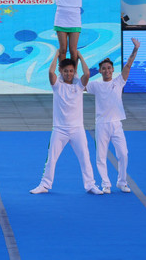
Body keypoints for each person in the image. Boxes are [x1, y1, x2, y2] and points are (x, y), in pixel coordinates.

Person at [30, 54, 103, 195]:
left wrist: (80, 57)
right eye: (65, 71)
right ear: (61, 71)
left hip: (77, 129)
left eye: (71, 71)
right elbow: (50, 72)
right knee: (51, 158)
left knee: (85, 157)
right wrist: (57, 54)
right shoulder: (57, 86)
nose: (68, 74)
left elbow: (87, 74)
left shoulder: (79, 86)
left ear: (74, 71)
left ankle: (90, 185)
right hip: (59, 129)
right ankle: (44, 185)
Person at [86, 38, 140, 193]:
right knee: (101, 156)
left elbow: (128, 65)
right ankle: (105, 183)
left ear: (113, 69)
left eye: (109, 68)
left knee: (123, 154)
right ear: (100, 70)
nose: (107, 70)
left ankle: (122, 182)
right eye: (103, 68)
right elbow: (79, 85)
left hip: (116, 123)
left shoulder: (119, 82)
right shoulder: (95, 85)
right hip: (101, 124)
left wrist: (135, 49)